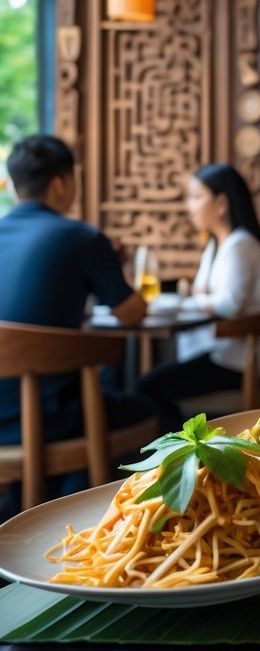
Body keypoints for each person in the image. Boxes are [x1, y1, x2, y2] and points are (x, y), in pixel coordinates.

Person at [0, 134, 155, 516]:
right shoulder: (80, 237)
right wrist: (108, 265)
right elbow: (133, 312)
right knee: (157, 412)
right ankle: (93, 521)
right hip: (51, 419)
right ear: (59, 183)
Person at [137, 164, 260, 429]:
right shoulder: (217, 245)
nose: (189, 206)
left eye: (196, 197)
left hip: (238, 361)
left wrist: (192, 300)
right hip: (222, 353)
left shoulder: (240, 245)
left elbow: (229, 304)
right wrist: (198, 298)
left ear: (221, 203)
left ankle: (175, 460)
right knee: (150, 385)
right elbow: (206, 295)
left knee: (147, 388)